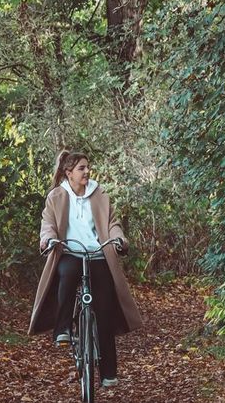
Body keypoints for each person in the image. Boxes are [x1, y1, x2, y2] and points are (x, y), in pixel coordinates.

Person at [27, 151, 144, 386]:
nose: (87, 172)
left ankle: (109, 373)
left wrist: (119, 239)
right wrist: (48, 239)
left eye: (87, 167)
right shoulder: (57, 196)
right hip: (69, 251)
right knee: (67, 274)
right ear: (68, 173)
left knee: (104, 309)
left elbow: (112, 223)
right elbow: (47, 223)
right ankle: (63, 329)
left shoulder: (99, 194)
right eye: (81, 168)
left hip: (98, 253)